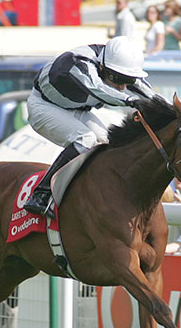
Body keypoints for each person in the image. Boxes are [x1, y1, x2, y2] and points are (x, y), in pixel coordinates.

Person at [22, 35, 159, 216]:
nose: (122, 86)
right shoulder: (76, 64)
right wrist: (132, 101)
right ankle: (41, 194)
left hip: (77, 109)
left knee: (108, 142)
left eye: (127, 80)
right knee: (85, 139)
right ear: (102, 67)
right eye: (118, 79)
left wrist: (177, 109)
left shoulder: (113, 63)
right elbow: (98, 89)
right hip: (44, 107)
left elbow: (146, 91)